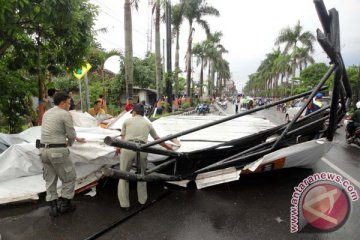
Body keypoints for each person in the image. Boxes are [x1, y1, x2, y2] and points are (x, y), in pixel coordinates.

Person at [116, 104, 173, 209]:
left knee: (123, 176)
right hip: (142, 149)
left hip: (128, 148)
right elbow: (157, 139)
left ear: (134, 112)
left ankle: (125, 205)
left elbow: (122, 139)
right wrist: (169, 148)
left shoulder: (127, 121)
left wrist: (118, 148)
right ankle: (142, 201)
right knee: (142, 174)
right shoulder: (148, 123)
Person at [39, 91, 86, 217]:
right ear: (62, 102)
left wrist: (75, 138)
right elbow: (70, 134)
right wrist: (71, 142)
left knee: (50, 178)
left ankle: (53, 207)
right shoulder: (65, 114)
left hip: (43, 150)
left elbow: (54, 130)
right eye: (69, 102)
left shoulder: (47, 113)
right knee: (69, 176)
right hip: (57, 151)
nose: (70, 105)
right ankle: (66, 205)